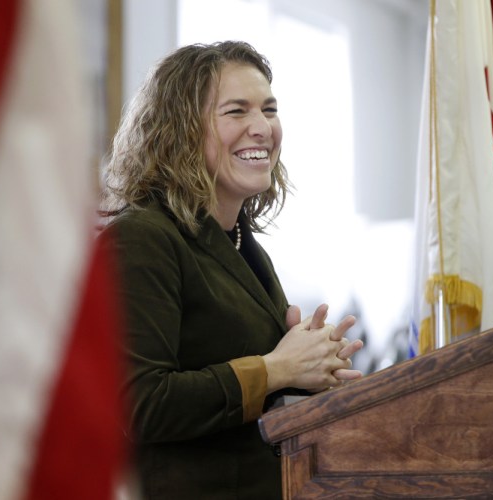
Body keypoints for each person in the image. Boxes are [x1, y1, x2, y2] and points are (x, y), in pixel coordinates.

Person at [101, 41, 364, 499]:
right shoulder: (140, 237)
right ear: (179, 131)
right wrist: (277, 368)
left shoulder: (242, 243)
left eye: (269, 109)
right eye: (236, 111)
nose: (262, 128)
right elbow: (138, 403)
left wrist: (314, 368)